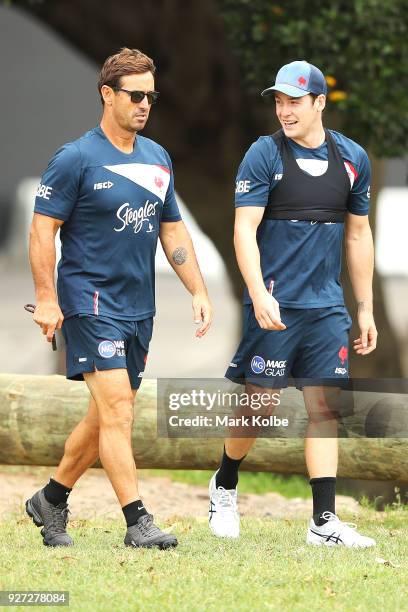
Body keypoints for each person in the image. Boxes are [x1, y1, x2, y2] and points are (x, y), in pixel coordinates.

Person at [26, 48, 212, 549]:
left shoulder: (157, 158)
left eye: (151, 96)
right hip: (89, 302)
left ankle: (51, 499)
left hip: (139, 306)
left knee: (108, 411)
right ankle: (137, 522)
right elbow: (43, 230)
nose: (145, 104)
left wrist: (197, 288)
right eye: (135, 95)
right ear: (107, 94)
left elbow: (172, 229)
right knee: (119, 412)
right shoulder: (75, 158)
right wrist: (47, 298)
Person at [209, 60, 377, 547]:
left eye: (294, 101)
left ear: (320, 103)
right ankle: (224, 484)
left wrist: (363, 308)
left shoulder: (352, 159)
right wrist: (259, 293)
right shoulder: (264, 155)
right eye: (278, 101)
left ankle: (323, 522)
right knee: (258, 406)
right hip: (275, 305)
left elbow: (359, 234)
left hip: (327, 308)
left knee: (324, 410)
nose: (284, 110)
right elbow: (243, 230)